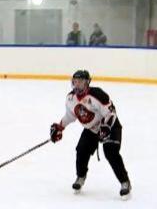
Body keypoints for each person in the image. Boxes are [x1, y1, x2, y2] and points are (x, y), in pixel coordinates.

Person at [49, 70, 131, 199]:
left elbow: (111, 113)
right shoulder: (71, 98)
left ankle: (125, 182)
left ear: (87, 83)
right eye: (75, 82)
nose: (77, 86)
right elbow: (70, 116)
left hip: (110, 126)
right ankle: (81, 176)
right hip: (92, 129)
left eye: (81, 83)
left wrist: (106, 127)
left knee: (110, 152)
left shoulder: (98, 94)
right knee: (81, 150)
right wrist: (60, 127)